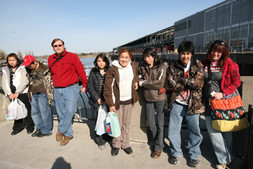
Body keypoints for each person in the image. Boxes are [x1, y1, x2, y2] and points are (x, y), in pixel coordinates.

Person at [202, 40, 241, 169]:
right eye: (214, 50)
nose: (215, 53)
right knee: (213, 132)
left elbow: (237, 82)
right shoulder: (204, 64)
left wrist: (223, 93)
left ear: (223, 53)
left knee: (226, 131)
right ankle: (224, 159)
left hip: (225, 101)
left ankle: (227, 156)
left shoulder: (230, 64)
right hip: (209, 102)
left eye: (219, 51)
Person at [167, 41, 204, 168]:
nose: (185, 56)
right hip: (177, 102)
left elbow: (198, 83)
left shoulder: (198, 64)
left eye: (188, 54)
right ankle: (175, 153)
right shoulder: (173, 66)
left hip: (193, 102)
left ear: (191, 54)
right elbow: (171, 84)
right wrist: (188, 83)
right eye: (183, 53)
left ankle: (194, 155)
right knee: (173, 130)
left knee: (195, 130)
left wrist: (182, 80)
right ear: (179, 54)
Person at [48, 38, 88, 146]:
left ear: (63, 45)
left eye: (60, 45)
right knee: (61, 112)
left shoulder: (72, 56)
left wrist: (85, 84)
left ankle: (60, 129)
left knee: (70, 110)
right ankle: (68, 134)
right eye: (55, 46)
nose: (58, 47)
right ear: (53, 47)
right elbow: (52, 74)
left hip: (71, 88)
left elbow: (81, 70)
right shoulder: (50, 59)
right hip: (57, 89)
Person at [103, 48, 139, 156]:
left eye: (126, 57)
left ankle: (126, 144)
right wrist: (110, 104)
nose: (124, 59)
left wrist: (136, 82)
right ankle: (116, 144)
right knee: (116, 125)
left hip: (129, 100)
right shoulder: (112, 69)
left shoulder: (133, 66)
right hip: (117, 102)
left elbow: (136, 76)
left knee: (126, 124)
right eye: (122, 57)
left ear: (130, 58)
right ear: (118, 57)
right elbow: (107, 87)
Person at [138, 47, 167, 159]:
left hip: (160, 98)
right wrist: (143, 82)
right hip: (148, 97)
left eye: (149, 56)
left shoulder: (161, 67)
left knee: (160, 123)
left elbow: (159, 83)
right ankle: (156, 142)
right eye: (145, 57)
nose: (147, 59)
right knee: (150, 123)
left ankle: (158, 147)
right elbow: (140, 78)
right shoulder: (142, 67)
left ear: (154, 56)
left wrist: (143, 83)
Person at [2, 53, 34, 135]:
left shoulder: (22, 68)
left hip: (22, 92)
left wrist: (17, 92)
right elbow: (4, 83)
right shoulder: (5, 69)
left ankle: (29, 126)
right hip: (11, 94)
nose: (11, 62)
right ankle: (18, 127)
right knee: (15, 110)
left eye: (13, 60)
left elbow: (25, 81)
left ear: (17, 60)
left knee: (27, 109)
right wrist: (9, 93)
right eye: (10, 60)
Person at [22, 55, 54, 137]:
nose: (29, 67)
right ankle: (39, 128)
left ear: (35, 62)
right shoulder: (28, 70)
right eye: (27, 65)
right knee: (35, 113)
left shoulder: (45, 68)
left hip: (43, 93)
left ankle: (46, 130)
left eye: (30, 65)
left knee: (44, 112)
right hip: (33, 93)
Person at [86, 53, 111, 150]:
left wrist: (106, 99)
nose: (101, 63)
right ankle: (99, 139)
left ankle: (108, 137)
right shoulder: (93, 71)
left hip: (108, 100)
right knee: (98, 121)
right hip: (96, 101)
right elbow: (90, 86)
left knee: (108, 120)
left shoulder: (110, 71)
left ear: (106, 62)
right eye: (99, 61)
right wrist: (97, 98)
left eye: (103, 61)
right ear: (96, 62)